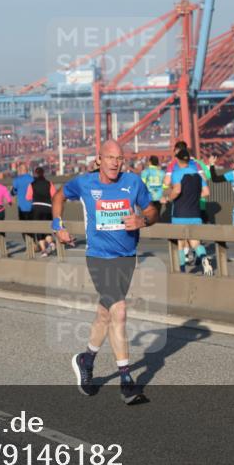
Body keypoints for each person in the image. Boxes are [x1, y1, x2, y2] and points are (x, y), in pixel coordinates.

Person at [52, 140, 158, 405]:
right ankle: (126, 381)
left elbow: (152, 209)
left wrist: (143, 220)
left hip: (126, 258)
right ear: (99, 159)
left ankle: (86, 359)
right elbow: (59, 195)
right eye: (110, 157)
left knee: (105, 312)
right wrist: (58, 225)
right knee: (119, 311)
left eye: (119, 158)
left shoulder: (133, 183)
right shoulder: (85, 183)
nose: (115, 162)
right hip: (98, 257)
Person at [166, 143, 213, 275]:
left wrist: (169, 198)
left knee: (181, 243)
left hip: (180, 213)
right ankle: (204, 258)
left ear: (179, 160)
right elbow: (206, 192)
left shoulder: (176, 173)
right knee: (196, 242)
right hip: (195, 213)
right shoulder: (198, 175)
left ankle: (181, 269)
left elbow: (177, 190)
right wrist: (193, 197)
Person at [26, 166, 57, 257]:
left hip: (37, 208)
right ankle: (51, 243)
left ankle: (44, 250)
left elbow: (28, 197)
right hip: (47, 208)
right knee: (47, 228)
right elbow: (54, 195)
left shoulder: (32, 184)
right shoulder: (49, 183)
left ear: (35, 174)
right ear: (43, 173)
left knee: (39, 229)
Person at [139, 156, 164, 220]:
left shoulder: (145, 172)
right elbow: (165, 185)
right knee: (157, 214)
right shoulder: (162, 172)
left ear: (149, 162)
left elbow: (142, 184)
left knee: (149, 215)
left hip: (148, 196)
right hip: (159, 196)